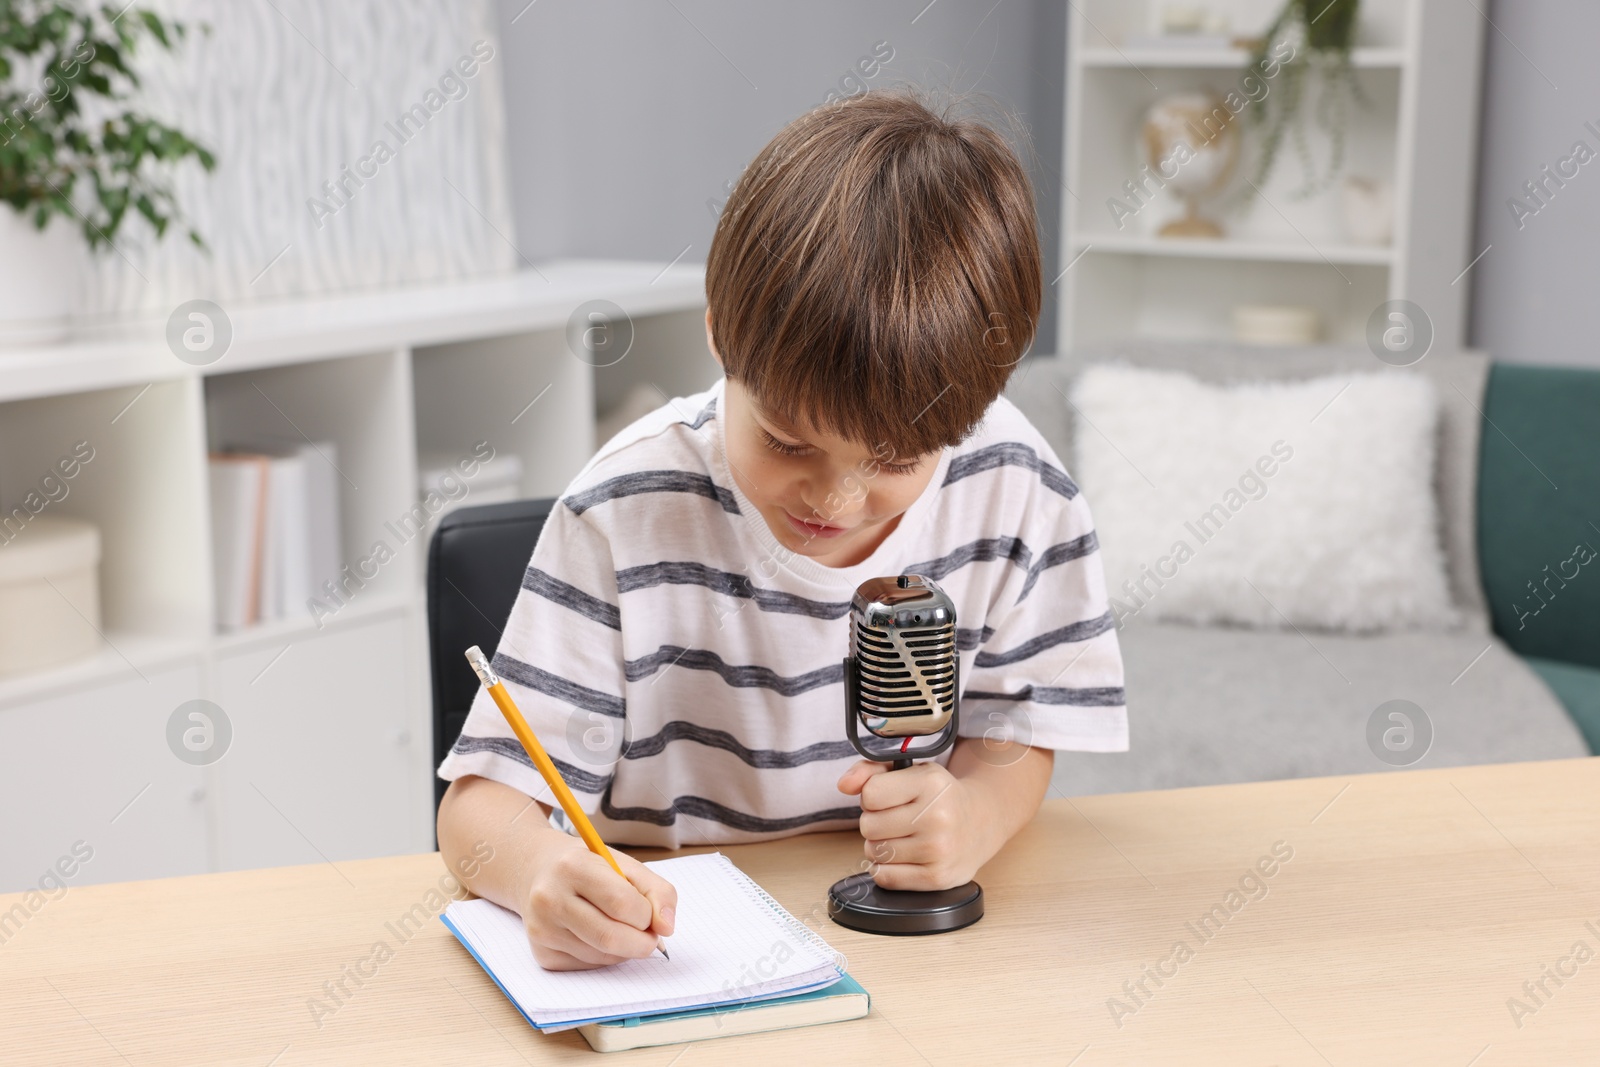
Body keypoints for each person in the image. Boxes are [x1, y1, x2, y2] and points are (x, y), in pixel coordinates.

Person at [436, 88, 1126, 971]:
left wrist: (978, 816)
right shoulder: (621, 513)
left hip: (913, 963)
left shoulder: (1022, 494)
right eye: (788, 441)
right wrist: (540, 867)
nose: (835, 500)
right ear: (722, 336)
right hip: (677, 954)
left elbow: (1014, 738)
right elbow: (476, 813)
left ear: (974, 403)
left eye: (893, 459)